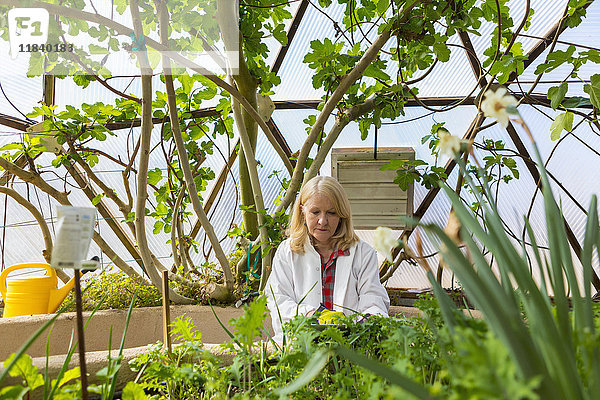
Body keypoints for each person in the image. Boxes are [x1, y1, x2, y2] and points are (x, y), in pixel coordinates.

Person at [265, 176, 390, 342]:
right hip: (301, 345)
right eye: (315, 212)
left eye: (331, 213)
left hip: (350, 346)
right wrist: (311, 315)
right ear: (302, 211)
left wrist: (365, 320)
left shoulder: (362, 253)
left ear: (342, 215)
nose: (322, 221)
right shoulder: (287, 252)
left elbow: (373, 299)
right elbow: (278, 299)